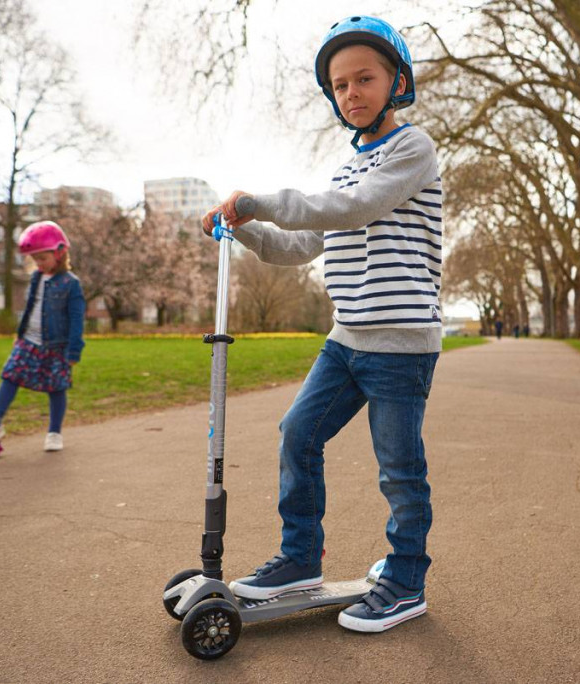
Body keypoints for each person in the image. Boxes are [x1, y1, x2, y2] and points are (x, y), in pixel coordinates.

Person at [202, 15, 442, 633]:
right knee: (297, 435)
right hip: (346, 339)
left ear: (398, 82)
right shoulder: (344, 165)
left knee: (398, 468)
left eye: (364, 78)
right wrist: (245, 228)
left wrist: (264, 199)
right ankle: (300, 558)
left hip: (399, 342)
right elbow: (302, 243)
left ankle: (407, 579)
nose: (351, 93)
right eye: (339, 85)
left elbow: (354, 209)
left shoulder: (412, 149)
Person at [0, 221, 85, 453]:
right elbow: (31, 308)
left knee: (56, 388)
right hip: (29, 342)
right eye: (35, 259)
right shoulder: (36, 278)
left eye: (43, 258)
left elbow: (76, 319)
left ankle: (54, 432)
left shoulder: (71, 284)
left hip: (56, 346)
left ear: (60, 253)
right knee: (9, 376)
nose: (39, 264)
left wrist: (74, 351)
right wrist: (20, 334)